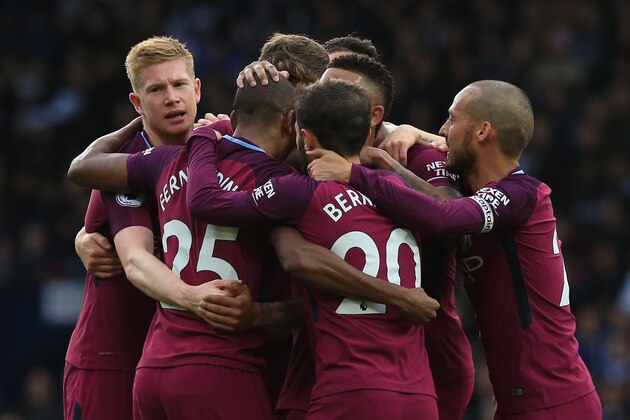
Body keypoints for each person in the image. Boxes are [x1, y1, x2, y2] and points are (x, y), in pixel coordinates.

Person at [68, 72, 440, 419]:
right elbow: (297, 257)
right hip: (223, 364)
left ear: (232, 116)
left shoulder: (168, 158)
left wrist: (157, 127)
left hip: (152, 369)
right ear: (289, 122)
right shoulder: (275, 180)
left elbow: (85, 166)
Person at [307, 80, 602, 419]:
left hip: (554, 400)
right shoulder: (478, 193)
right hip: (524, 400)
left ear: (482, 132)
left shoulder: (522, 195)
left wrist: (357, 174)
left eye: (451, 119)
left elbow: (443, 217)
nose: (443, 130)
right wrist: (397, 148)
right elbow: (441, 199)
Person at [185, 79, 439, 419]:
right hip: (420, 394)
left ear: (304, 137)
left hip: (350, 390)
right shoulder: (398, 189)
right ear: (367, 135)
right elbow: (445, 210)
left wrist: (202, 138)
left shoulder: (297, 193)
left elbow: (206, 202)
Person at [324, 53, 475, 420]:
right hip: (347, 360)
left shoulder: (415, 157)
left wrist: (386, 164)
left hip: (428, 352)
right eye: (320, 88)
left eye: (339, 91)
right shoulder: (311, 157)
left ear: (374, 115)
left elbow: (453, 214)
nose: (322, 100)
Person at [63, 36, 207, 420]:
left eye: (179, 85)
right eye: (156, 90)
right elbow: (134, 259)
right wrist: (196, 299)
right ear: (137, 104)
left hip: (184, 354)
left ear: (197, 89)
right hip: (113, 356)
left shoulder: (218, 151)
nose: (172, 98)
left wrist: (389, 132)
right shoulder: (121, 166)